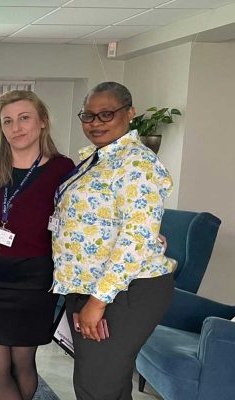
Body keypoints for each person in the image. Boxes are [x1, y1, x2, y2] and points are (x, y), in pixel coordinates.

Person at [52, 81, 175, 399]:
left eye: (106, 114)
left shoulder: (137, 164)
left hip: (121, 292)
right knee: (106, 385)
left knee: (97, 387)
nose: (95, 123)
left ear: (130, 113)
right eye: (88, 115)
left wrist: (97, 302)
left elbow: (135, 237)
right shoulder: (97, 159)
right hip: (89, 285)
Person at [0, 90, 75, 400]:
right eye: (7, 121)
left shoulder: (62, 169)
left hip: (32, 280)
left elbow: (84, 216)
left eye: (24, 118)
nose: (16, 128)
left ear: (42, 122)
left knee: (22, 362)